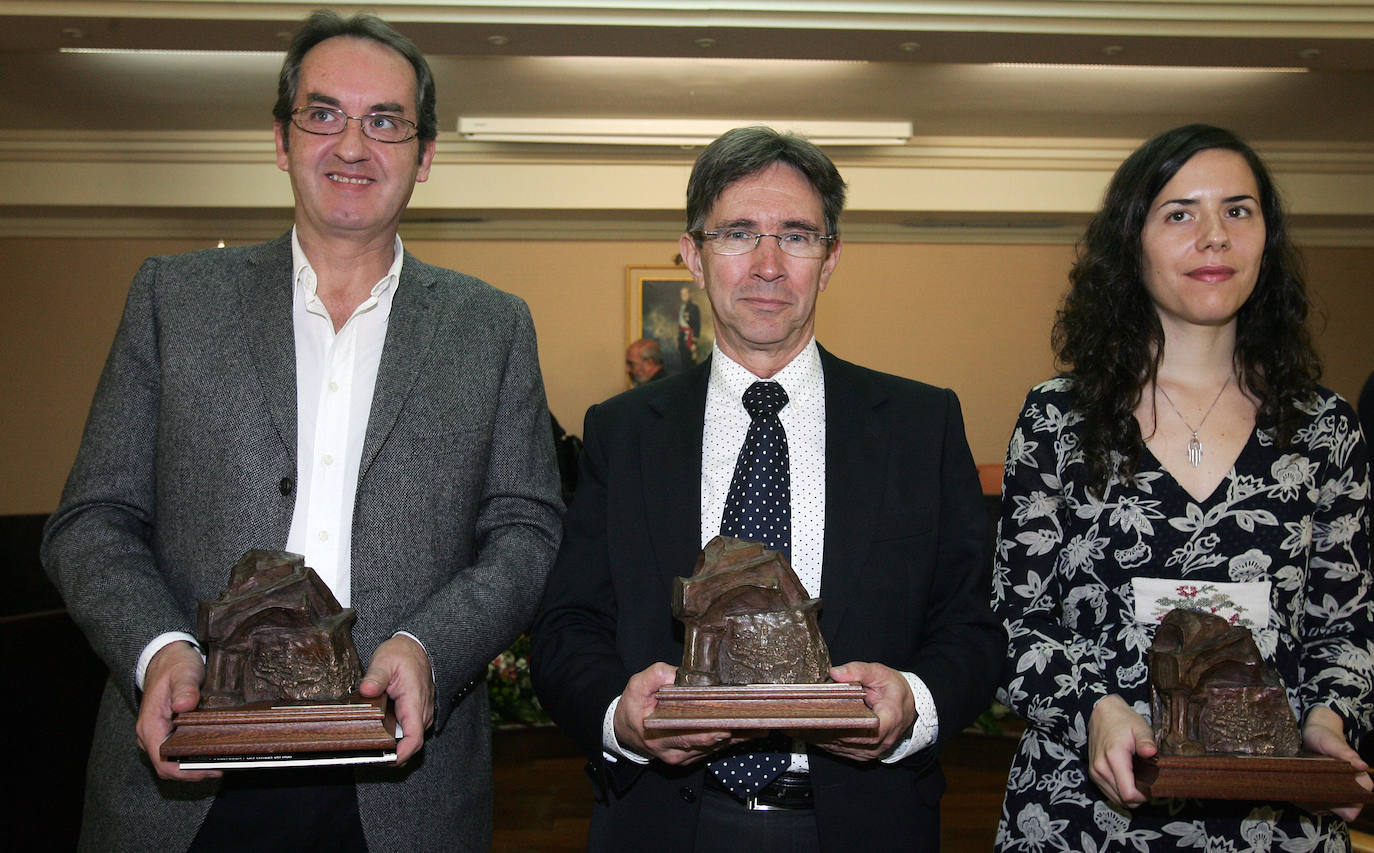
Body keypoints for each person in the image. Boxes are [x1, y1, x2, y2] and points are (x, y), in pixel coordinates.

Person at [40, 11, 562, 853]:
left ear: (423, 155)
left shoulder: (492, 328)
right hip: (184, 781)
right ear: (281, 139)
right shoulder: (173, 300)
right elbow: (92, 519)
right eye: (324, 114)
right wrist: (159, 650)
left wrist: (430, 648)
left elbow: (527, 534)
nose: (352, 146)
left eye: (384, 121)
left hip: (401, 788)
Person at [531, 126, 1003, 853]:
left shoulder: (921, 423)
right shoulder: (621, 433)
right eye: (738, 233)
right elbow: (568, 626)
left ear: (832, 257)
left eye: (797, 235)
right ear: (692, 253)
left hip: (867, 822)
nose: (769, 264)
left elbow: (970, 626)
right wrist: (617, 717)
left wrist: (918, 704)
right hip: (662, 822)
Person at [992, 123, 1373, 851]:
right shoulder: (1059, 421)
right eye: (1179, 213)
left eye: (1238, 210)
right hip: (1084, 816)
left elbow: (1344, 626)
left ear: (1267, 235)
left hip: (1276, 819)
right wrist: (1094, 709)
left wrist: (1329, 720)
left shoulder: (1325, 430)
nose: (1214, 237)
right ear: (1132, 241)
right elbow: (1017, 620)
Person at [677, 284, 702, 369]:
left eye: (685, 294)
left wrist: (694, 343)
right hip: (682, 339)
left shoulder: (694, 308)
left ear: (690, 294)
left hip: (690, 340)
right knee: (683, 364)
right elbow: (680, 326)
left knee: (691, 365)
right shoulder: (682, 308)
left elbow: (697, 325)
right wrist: (679, 339)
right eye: (682, 294)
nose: (683, 296)